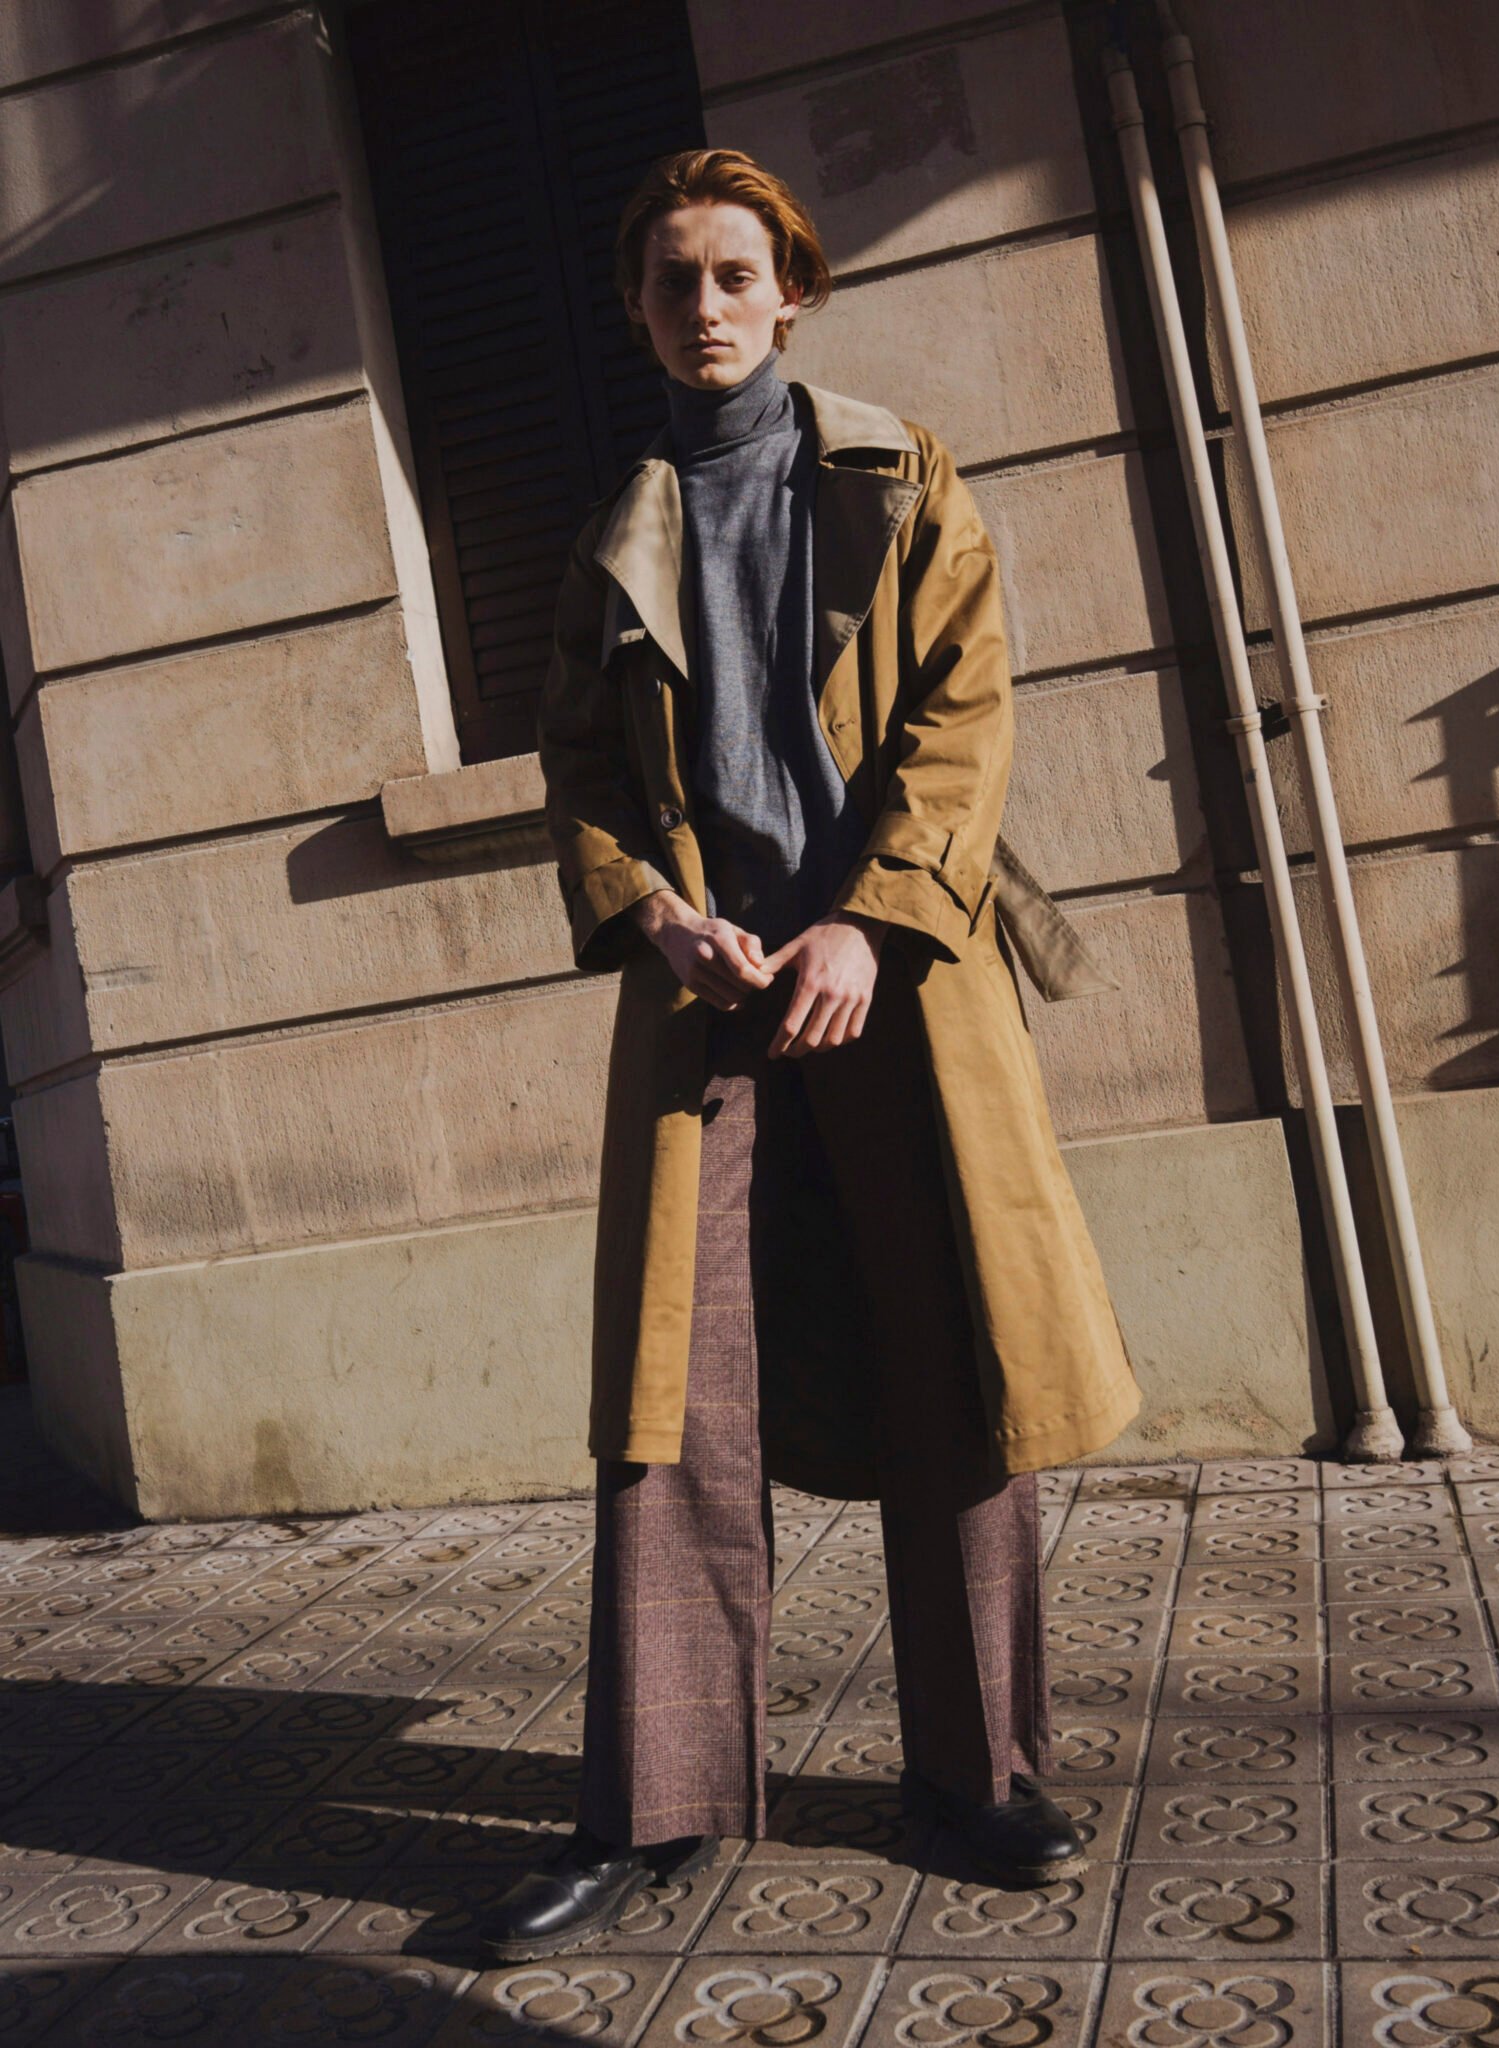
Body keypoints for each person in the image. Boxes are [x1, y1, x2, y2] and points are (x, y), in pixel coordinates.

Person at [479, 147, 1142, 1963]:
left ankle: (979, 1777)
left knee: (957, 1354)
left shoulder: (899, 474)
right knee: (668, 1412)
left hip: (897, 982)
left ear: (793, 291)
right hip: (706, 995)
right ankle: (659, 1806)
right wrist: (651, 912)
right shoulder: (616, 526)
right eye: (672, 277)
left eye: (734, 274)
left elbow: (964, 709)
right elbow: (583, 770)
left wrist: (870, 918)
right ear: (637, 307)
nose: (704, 304)